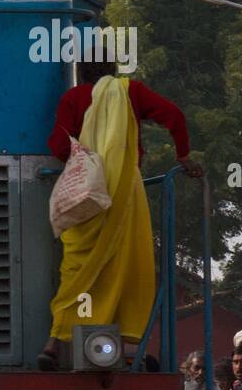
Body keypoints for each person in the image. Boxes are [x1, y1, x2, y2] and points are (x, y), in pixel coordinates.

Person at [38, 59, 202, 370]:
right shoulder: (131, 92)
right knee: (128, 264)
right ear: (114, 71)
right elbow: (174, 116)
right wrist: (183, 156)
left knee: (75, 270)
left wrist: (85, 165)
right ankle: (122, 349)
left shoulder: (72, 99)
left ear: (81, 74)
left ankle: (54, 342)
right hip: (126, 195)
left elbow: (59, 145)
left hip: (87, 197)